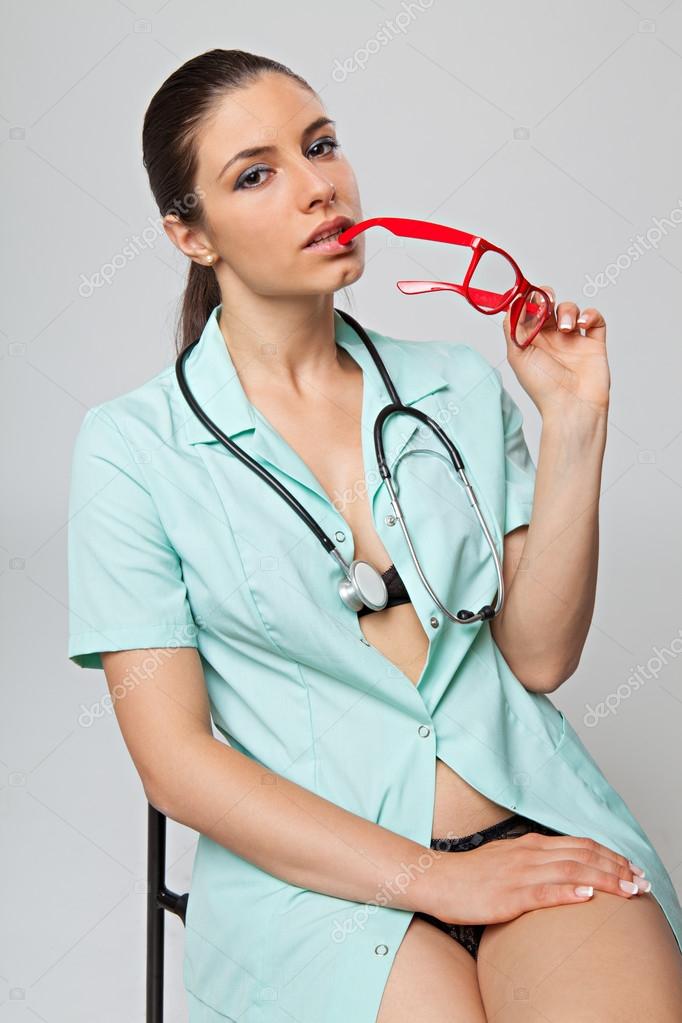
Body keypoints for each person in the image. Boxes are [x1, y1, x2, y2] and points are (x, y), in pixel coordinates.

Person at [67, 48, 682, 1022]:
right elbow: (175, 759)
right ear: (190, 233)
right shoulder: (132, 450)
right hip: (313, 887)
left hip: (530, 830)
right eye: (257, 173)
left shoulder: (456, 385)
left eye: (322, 146)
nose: (318, 187)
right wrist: (432, 885)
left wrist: (575, 422)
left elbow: (539, 654)